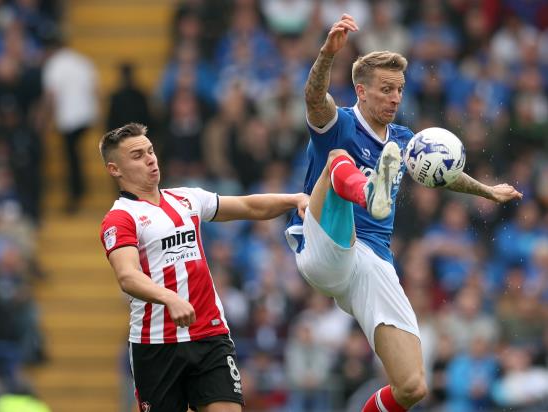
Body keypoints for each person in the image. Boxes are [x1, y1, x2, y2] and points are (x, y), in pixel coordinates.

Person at [285, 14, 523, 412]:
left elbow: (445, 175)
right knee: (338, 157)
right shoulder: (338, 122)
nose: (395, 98)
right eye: (385, 89)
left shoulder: (404, 141)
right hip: (323, 242)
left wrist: (486, 190)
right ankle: (368, 191)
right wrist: (327, 54)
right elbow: (313, 97)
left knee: (412, 386)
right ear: (361, 91)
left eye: (399, 89)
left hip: (371, 261)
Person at [98, 123, 308, 412]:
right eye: (137, 155)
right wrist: (170, 298)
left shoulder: (186, 198)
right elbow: (127, 275)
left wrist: (294, 199)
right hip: (157, 343)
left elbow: (249, 207)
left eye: (150, 151)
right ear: (114, 169)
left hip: (210, 334)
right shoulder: (120, 218)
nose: (150, 159)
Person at [42, 28, 98, 214]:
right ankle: (81, 188)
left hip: (68, 118)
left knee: (71, 158)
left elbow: (52, 96)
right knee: (75, 154)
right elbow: (93, 89)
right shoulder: (81, 61)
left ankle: (76, 193)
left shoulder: (54, 65)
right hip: (85, 116)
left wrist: (46, 120)